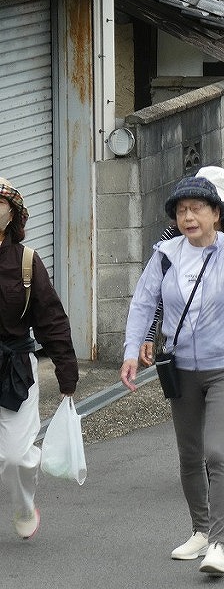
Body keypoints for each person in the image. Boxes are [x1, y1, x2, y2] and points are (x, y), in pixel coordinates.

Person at [120, 176, 224, 576]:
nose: (188, 217)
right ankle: (200, 531)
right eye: (181, 211)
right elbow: (143, 302)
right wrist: (131, 350)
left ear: (216, 214)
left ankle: (218, 544)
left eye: (197, 209)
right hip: (181, 369)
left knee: (216, 452)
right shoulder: (166, 255)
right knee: (189, 455)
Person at [0, 178, 78, 540]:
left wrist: (67, 372)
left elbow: (51, 319)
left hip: (14, 369)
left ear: (12, 214)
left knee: (16, 456)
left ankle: (23, 504)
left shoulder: (27, 262)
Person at [138, 166, 224, 376]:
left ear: (219, 210)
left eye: (201, 207)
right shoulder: (173, 238)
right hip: (185, 350)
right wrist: (148, 333)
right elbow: (156, 289)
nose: (192, 216)